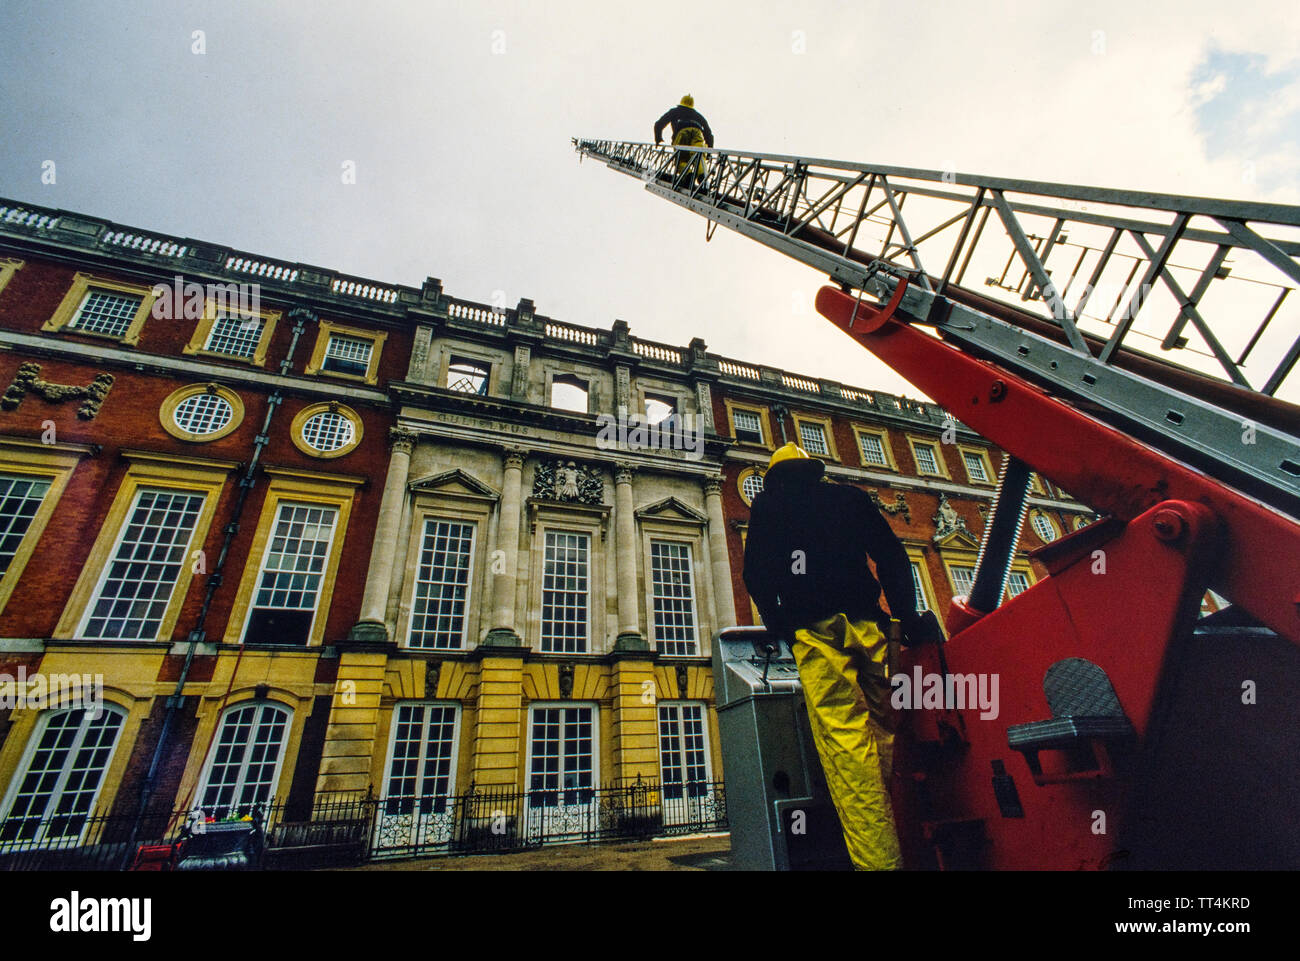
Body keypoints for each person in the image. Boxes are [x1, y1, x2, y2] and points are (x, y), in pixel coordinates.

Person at [742, 441, 940, 870]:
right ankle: (894, 837)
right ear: (813, 470)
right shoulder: (848, 497)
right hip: (870, 628)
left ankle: (880, 863)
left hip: (817, 635)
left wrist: (781, 624)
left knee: (846, 745)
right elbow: (891, 555)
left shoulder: (769, 507)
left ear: (774, 477)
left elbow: (755, 574)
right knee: (882, 733)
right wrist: (905, 614)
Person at [653, 94, 714, 186]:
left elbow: (658, 124)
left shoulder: (675, 111)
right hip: (697, 133)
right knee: (699, 156)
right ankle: (702, 176)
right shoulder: (698, 116)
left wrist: (658, 138)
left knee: (680, 160)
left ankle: (688, 174)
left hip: (682, 133)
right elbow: (709, 133)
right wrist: (709, 151)